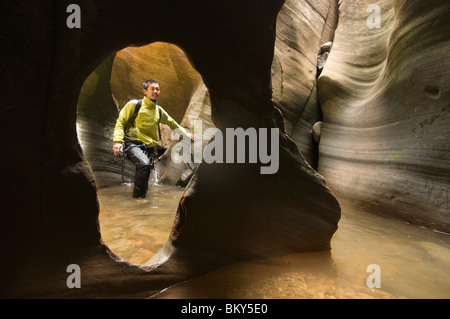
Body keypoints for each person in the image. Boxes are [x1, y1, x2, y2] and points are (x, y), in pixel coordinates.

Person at [113, 79, 195, 198]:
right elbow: (121, 122)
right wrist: (117, 141)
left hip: (150, 148)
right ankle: (138, 198)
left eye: (157, 89)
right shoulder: (134, 105)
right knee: (144, 164)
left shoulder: (158, 111)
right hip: (133, 144)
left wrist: (185, 134)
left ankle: (140, 201)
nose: (156, 91)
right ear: (145, 91)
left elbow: (172, 123)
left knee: (145, 174)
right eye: (153, 89)